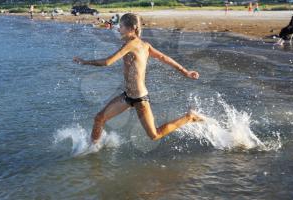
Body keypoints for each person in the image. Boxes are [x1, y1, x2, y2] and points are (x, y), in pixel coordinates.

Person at [73, 13, 204, 143]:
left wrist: (85, 62)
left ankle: (189, 117)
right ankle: (93, 147)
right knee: (99, 118)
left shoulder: (131, 44)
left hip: (139, 98)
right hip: (127, 96)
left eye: (122, 26)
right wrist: (185, 71)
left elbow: (108, 62)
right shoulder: (144, 45)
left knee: (155, 135)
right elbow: (164, 58)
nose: (119, 29)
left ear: (132, 28)